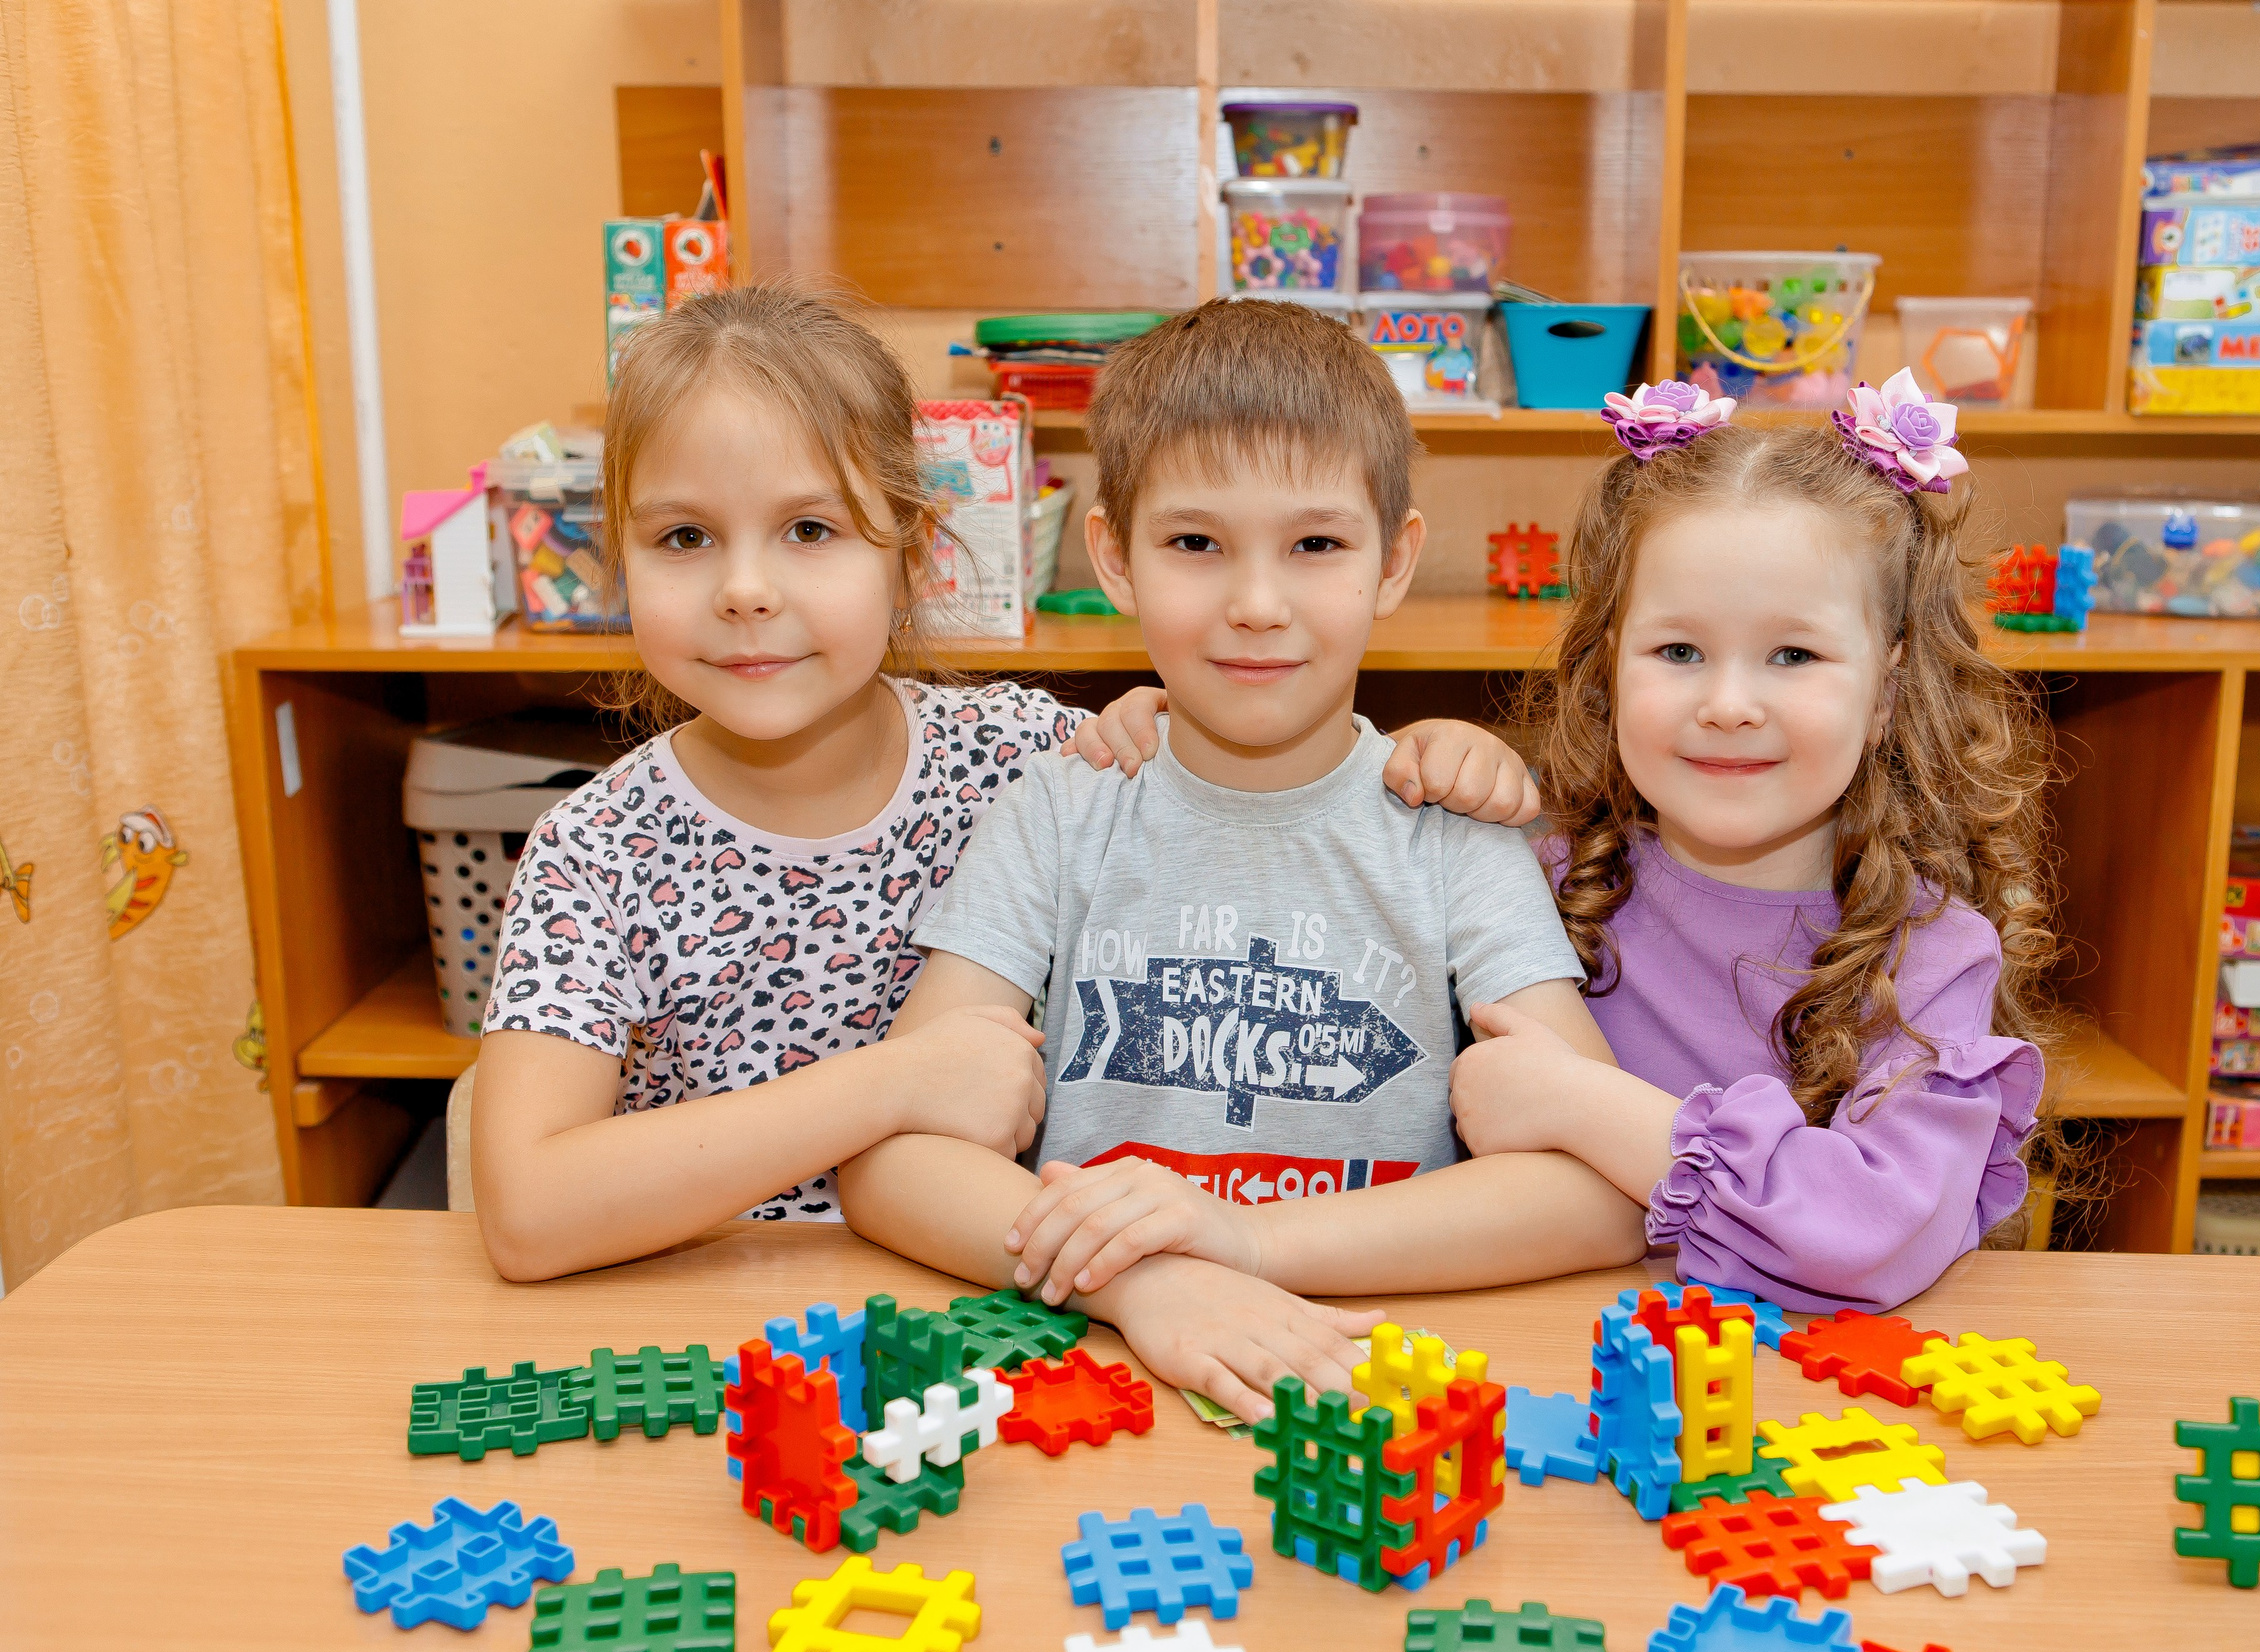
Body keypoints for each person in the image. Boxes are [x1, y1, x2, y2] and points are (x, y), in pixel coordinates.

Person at [469, 284, 1533, 1284]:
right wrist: (897, 1081)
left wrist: (1429, 752)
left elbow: (1242, 760)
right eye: (684, 536)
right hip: (709, 1302)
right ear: (620, 560)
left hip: (981, 1290)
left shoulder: (1027, 754)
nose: (746, 590)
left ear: (915, 555)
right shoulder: (592, 848)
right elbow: (525, 1210)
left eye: (809, 529)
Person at [851, 299, 1648, 1420]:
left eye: (1315, 545)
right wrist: (1143, 1282)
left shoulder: (1454, 833)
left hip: (1363, 1383)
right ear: (1114, 559)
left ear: (1393, 561)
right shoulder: (1057, 813)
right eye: (1195, 544)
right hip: (1095, 1378)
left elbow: (1605, 1193)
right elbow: (889, 1157)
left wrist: (1245, 1243)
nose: (1258, 605)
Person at [1449, 370, 2060, 1313]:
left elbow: (1869, 1239)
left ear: (1887, 693)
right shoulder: (1539, 887)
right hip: (1545, 1357)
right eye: (1680, 651)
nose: (1729, 705)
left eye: (1793, 655)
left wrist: (1579, 1101)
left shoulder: (1931, 959)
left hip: (1792, 1390)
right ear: (1609, 671)